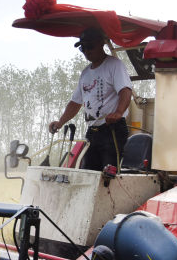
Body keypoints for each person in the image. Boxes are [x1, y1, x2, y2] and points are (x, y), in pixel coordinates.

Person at [48, 27, 133, 170]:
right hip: (93, 131)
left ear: (101, 44)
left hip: (112, 130)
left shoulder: (114, 65)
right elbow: (75, 102)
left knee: (109, 173)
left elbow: (125, 90)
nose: (87, 51)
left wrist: (118, 113)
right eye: (83, 48)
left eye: (90, 46)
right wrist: (60, 122)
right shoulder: (85, 73)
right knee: (88, 171)